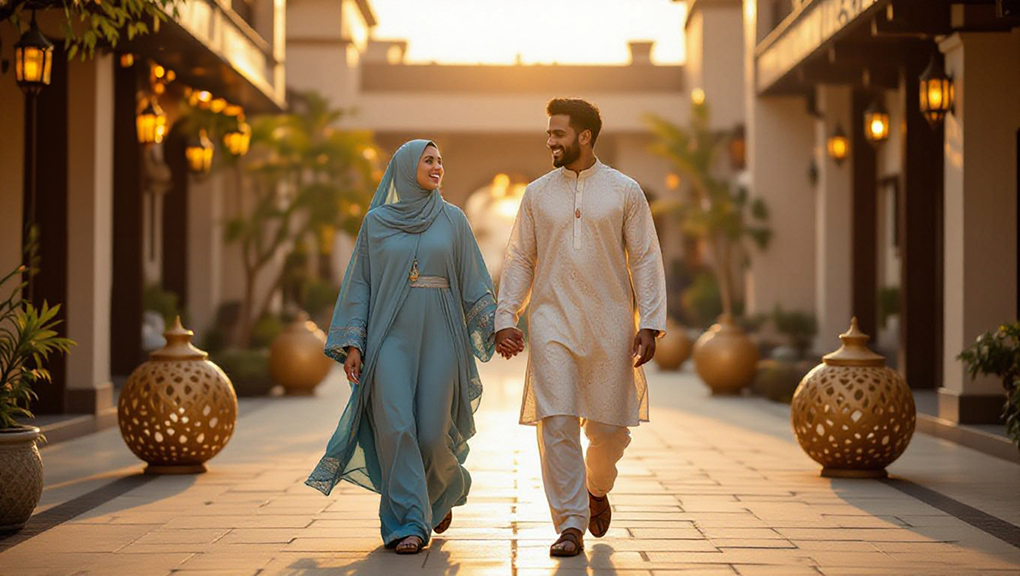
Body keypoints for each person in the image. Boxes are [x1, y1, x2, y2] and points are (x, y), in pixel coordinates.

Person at [306, 139, 516, 555]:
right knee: (396, 427)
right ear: (405, 167)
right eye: (428, 160)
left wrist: (497, 328)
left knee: (432, 435)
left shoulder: (454, 220)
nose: (438, 167)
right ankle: (408, 524)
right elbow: (360, 284)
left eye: (440, 161)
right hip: (388, 337)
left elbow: (474, 279)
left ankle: (444, 487)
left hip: (441, 335)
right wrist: (353, 343)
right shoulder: (376, 223)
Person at [494, 98, 667, 557]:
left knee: (610, 429)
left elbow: (646, 257)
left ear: (584, 137)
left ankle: (596, 486)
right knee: (556, 421)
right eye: (549, 133)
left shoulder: (625, 191)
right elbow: (519, 259)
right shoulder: (536, 194)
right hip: (551, 320)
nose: (550, 140)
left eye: (558, 133)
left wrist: (649, 322)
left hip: (611, 323)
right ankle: (569, 523)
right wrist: (505, 316)